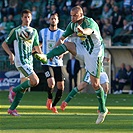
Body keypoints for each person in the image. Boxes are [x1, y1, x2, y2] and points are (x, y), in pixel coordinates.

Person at [35, 6, 108, 124]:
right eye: (71, 15)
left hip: (95, 53)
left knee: (95, 84)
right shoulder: (72, 24)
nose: (72, 17)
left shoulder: (89, 22)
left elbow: (89, 31)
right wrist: (53, 52)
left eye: (75, 15)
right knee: (68, 44)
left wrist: (83, 31)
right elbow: (62, 39)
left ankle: (102, 109)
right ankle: (45, 56)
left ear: (81, 15)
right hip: (84, 49)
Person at [2, 9, 44, 116]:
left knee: (24, 87)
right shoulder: (16, 31)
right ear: (21, 18)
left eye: (29, 17)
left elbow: (36, 47)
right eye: (25, 17)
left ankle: (12, 109)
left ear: (31, 18)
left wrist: (43, 55)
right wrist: (11, 54)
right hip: (20, 61)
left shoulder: (34, 31)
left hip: (29, 61)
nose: (27, 19)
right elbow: (4, 44)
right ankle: (13, 90)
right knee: (35, 81)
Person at [39, 13, 65, 113]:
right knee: (51, 82)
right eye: (51, 19)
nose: (53, 20)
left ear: (58, 21)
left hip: (58, 63)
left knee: (61, 87)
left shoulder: (62, 33)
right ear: (49, 20)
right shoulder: (43, 32)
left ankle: (54, 105)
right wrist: (39, 53)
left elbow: (66, 47)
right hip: (46, 62)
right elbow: (39, 44)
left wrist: (63, 53)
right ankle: (49, 98)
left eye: (55, 19)